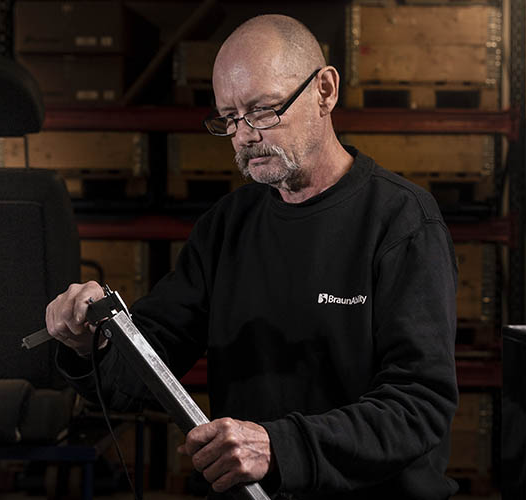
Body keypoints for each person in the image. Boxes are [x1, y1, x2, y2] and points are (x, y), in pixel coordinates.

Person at [46, 14, 459, 500]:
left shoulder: (402, 222)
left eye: (263, 110)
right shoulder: (226, 227)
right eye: (229, 118)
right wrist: (90, 342)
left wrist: (279, 447)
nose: (243, 136)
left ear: (325, 91)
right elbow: (139, 375)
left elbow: (420, 407)